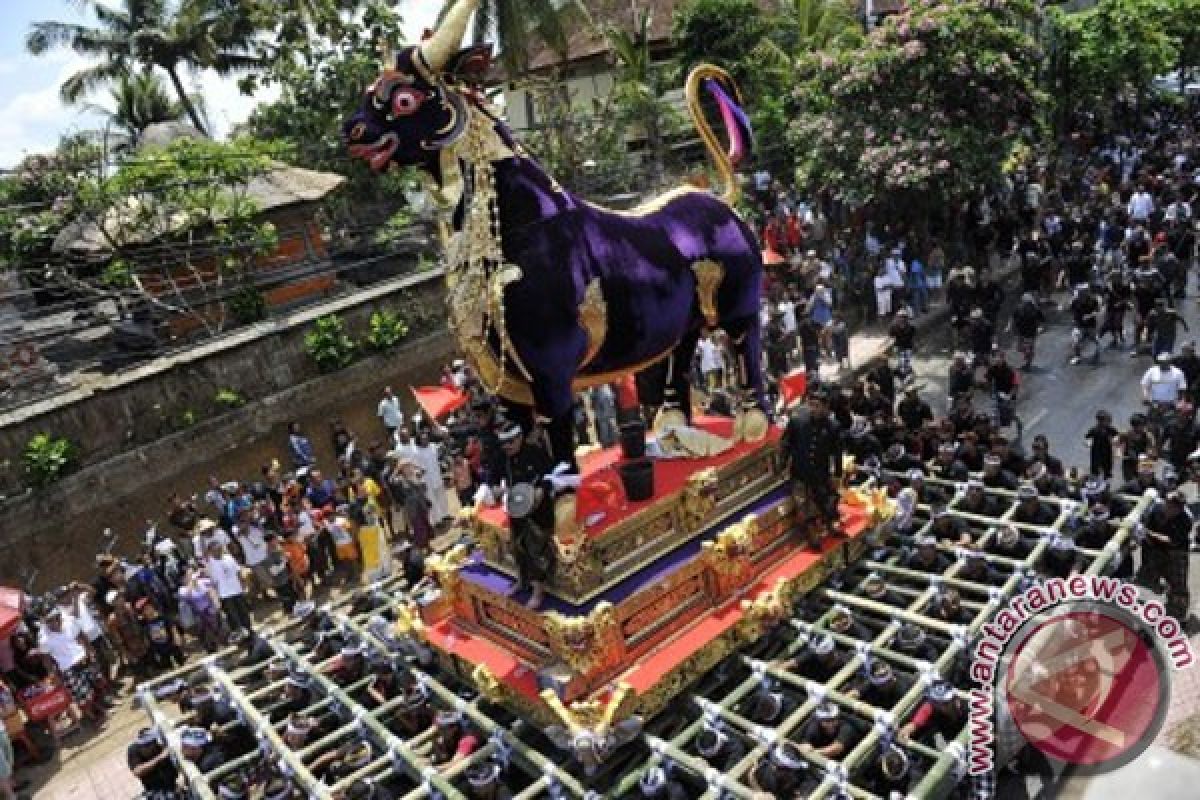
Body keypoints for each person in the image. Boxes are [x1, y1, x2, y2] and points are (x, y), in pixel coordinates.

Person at [782, 392, 844, 544]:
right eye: (812, 405)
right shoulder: (797, 421)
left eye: (817, 406)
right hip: (800, 470)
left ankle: (831, 523)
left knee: (828, 498)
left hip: (820, 471)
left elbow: (837, 452)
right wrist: (783, 464)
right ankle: (812, 532)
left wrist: (837, 473)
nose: (813, 409)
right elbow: (786, 443)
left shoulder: (832, 426)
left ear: (825, 407)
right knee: (803, 502)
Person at [1140, 491, 1193, 620]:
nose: (1169, 507)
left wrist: (1149, 533)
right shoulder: (1156, 511)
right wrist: (1145, 535)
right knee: (1147, 578)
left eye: (1174, 506)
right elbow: (1147, 531)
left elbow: (1172, 540)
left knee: (1178, 585)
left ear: (1179, 508)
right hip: (1156, 550)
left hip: (1177, 553)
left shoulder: (1186, 519)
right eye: (1168, 503)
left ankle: (1179, 615)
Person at [204, 542, 252, 635]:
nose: (218, 552)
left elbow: (238, 571)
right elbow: (213, 581)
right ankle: (240, 634)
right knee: (233, 617)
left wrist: (243, 585)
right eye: (215, 550)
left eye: (219, 549)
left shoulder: (229, 557)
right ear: (211, 552)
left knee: (244, 612)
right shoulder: (210, 564)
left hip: (237, 590)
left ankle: (249, 631)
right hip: (225, 594)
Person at [127, 727, 179, 798]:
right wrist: (159, 758)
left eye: (154, 741)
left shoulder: (158, 746)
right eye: (152, 742)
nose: (154, 744)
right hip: (155, 789)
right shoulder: (133, 750)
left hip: (172, 784)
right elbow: (137, 771)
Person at [1009, 293, 1046, 370]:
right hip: (1027, 332)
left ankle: (1028, 361)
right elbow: (1042, 319)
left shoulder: (1033, 309)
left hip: (1026, 332)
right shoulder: (1032, 308)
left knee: (1022, 347)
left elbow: (1012, 318)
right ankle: (1028, 357)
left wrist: (1010, 327)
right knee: (1023, 348)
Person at [1070, 283, 1101, 365]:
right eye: (1080, 292)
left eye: (1084, 291)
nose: (1082, 293)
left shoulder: (1093, 300)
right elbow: (1072, 311)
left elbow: (1097, 311)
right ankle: (1077, 356)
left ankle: (1096, 354)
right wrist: (1074, 319)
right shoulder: (1074, 301)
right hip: (1079, 325)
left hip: (1091, 325)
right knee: (1076, 341)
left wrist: (1090, 315)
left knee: (1094, 340)